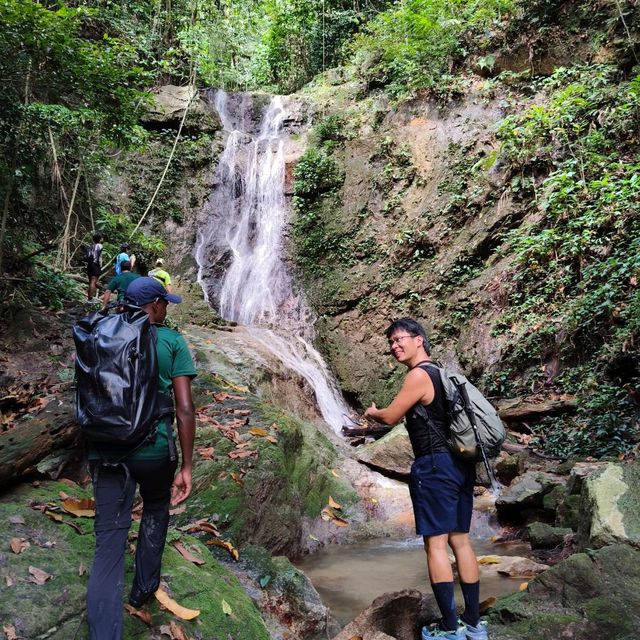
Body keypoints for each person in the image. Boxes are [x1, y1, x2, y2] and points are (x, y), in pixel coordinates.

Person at [86, 276, 196, 640]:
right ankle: (143, 588)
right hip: (153, 450)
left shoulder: (100, 335)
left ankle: (104, 634)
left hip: (107, 451)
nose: (166, 308)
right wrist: (186, 466)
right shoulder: (172, 342)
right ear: (152, 306)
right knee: (156, 508)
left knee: (109, 542)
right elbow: (184, 408)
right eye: (164, 303)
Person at [364, 318, 487, 640]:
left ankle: (449, 628)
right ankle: (473, 624)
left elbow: (390, 416)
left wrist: (372, 413)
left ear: (419, 340)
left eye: (399, 339)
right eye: (390, 342)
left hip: (435, 466)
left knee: (435, 544)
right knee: (460, 539)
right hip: (461, 465)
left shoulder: (418, 375)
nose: (394, 346)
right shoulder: (444, 376)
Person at [85, 233, 104, 301]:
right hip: (95, 265)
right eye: (101, 238)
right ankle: (91, 298)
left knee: (91, 282)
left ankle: (89, 297)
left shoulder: (90, 246)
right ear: (99, 239)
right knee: (93, 282)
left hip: (89, 265)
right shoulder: (99, 245)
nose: (102, 239)